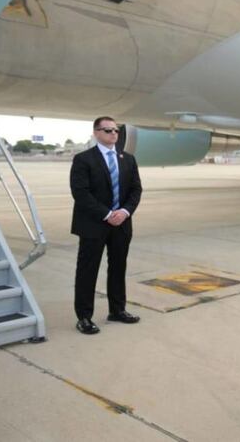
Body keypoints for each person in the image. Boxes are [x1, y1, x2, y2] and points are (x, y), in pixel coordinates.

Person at [70, 117, 142, 335]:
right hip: (93, 224)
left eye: (116, 130)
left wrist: (124, 212)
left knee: (118, 268)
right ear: (96, 133)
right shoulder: (83, 159)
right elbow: (80, 193)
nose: (113, 134)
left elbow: (135, 190)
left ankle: (117, 310)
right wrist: (107, 214)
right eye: (108, 130)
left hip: (121, 224)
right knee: (87, 270)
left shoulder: (128, 159)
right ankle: (84, 317)